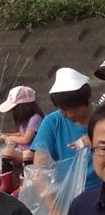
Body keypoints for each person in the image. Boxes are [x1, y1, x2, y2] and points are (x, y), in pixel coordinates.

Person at [30, 68, 97, 200]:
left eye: (76, 108)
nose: (70, 115)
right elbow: (40, 169)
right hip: (67, 196)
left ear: (88, 99)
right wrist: (53, 208)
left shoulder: (102, 117)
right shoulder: (52, 122)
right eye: (64, 109)